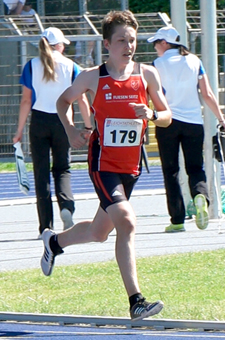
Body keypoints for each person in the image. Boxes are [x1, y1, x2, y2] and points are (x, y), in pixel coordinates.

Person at [40, 10, 171, 321]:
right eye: (121, 40)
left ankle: (54, 242)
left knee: (101, 232)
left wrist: (151, 115)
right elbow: (62, 101)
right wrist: (71, 130)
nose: (128, 46)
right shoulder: (92, 76)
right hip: (103, 164)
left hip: (132, 167)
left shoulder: (148, 74)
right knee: (126, 220)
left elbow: (166, 116)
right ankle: (136, 301)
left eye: (133, 40)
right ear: (107, 44)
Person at [13, 27, 91, 236]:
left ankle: (45, 226)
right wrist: (88, 126)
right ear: (58, 45)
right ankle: (66, 207)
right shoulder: (71, 65)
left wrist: (19, 130)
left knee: (41, 173)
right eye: (63, 44)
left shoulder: (32, 65)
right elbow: (82, 98)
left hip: (39, 120)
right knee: (63, 168)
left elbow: (26, 100)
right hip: (63, 120)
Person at [147, 26, 225, 233]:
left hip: (167, 121)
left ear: (165, 43)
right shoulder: (194, 61)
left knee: (171, 171)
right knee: (195, 167)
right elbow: (207, 93)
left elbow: (151, 93)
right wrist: (220, 117)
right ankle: (200, 197)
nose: (155, 47)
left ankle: (177, 219)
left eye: (156, 43)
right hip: (193, 122)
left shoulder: (157, 65)